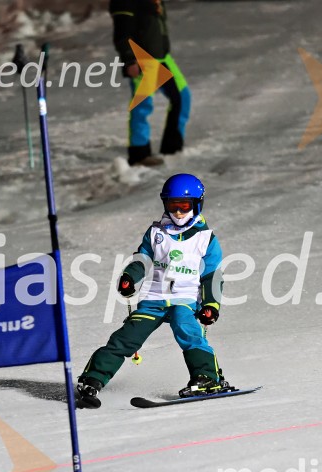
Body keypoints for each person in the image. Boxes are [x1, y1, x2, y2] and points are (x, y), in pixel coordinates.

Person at [77, 174, 224, 407]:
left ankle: (206, 378)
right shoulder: (156, 233)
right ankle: (92, 380)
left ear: (197, 204)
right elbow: (143, 259)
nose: (178, 213)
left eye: (184, 206)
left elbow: (212, 275)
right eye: (172, 206)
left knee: (187, 330)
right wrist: (130, 276)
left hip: (185, 299)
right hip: (154, 299)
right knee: (127, 337)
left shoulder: (205, 239)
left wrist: (211, 305)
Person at [109, 0, 191, 166]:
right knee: (142, 105)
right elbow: (122, 32)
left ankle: (172, 148)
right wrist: (129, 59)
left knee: (183, 97)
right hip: (141, 58)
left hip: (161, 56)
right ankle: (139, 153)